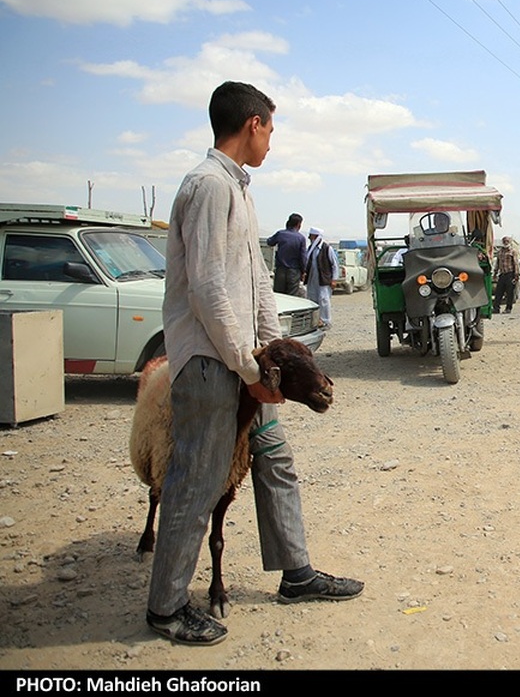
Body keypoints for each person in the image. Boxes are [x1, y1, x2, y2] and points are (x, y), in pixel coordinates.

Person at [147, 81, 361, 646]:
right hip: (211, 365)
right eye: (271, 128)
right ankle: (166, 608)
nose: (272, 140)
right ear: (253, 125)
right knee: (197, 478)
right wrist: (248, 368)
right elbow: (210, 289)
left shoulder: (238, 190)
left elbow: (256, 284)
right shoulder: (209, 186)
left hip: (244, 367)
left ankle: (297, 574)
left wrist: (269, 358)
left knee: (274, 459)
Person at [303, 227, 339, 329]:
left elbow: (334, 265)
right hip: (312, 279)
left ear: (316, 236)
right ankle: (315, 321)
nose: (309, 238)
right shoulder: (310, 249)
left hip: (323, 280)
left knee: (324, 300)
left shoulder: (327, 248)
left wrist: (334, 279)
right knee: (312, 300)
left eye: (311, 236)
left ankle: (326, 321)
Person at [266, 213, 306, 296]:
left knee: (279, 296)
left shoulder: (280, 234)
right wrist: (303, 271)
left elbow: (269, 242)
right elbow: (303, 257)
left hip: (280, 270)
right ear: (299, 224)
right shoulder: (301, 238)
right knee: (292, 296)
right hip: (294, 272)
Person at [492, 236, 519, 313]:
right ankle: (496, 308)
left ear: (509, 242)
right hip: (502, 274)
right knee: (498, 292)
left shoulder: (513, 251)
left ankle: (508, 308)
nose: (505, 242)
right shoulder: (500, 251)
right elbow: (497, 263)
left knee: (510, 292)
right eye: (504, 241)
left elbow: (516, 263)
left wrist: (516, 275)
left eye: (507, 241)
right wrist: (495, 273)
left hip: (510, 274)